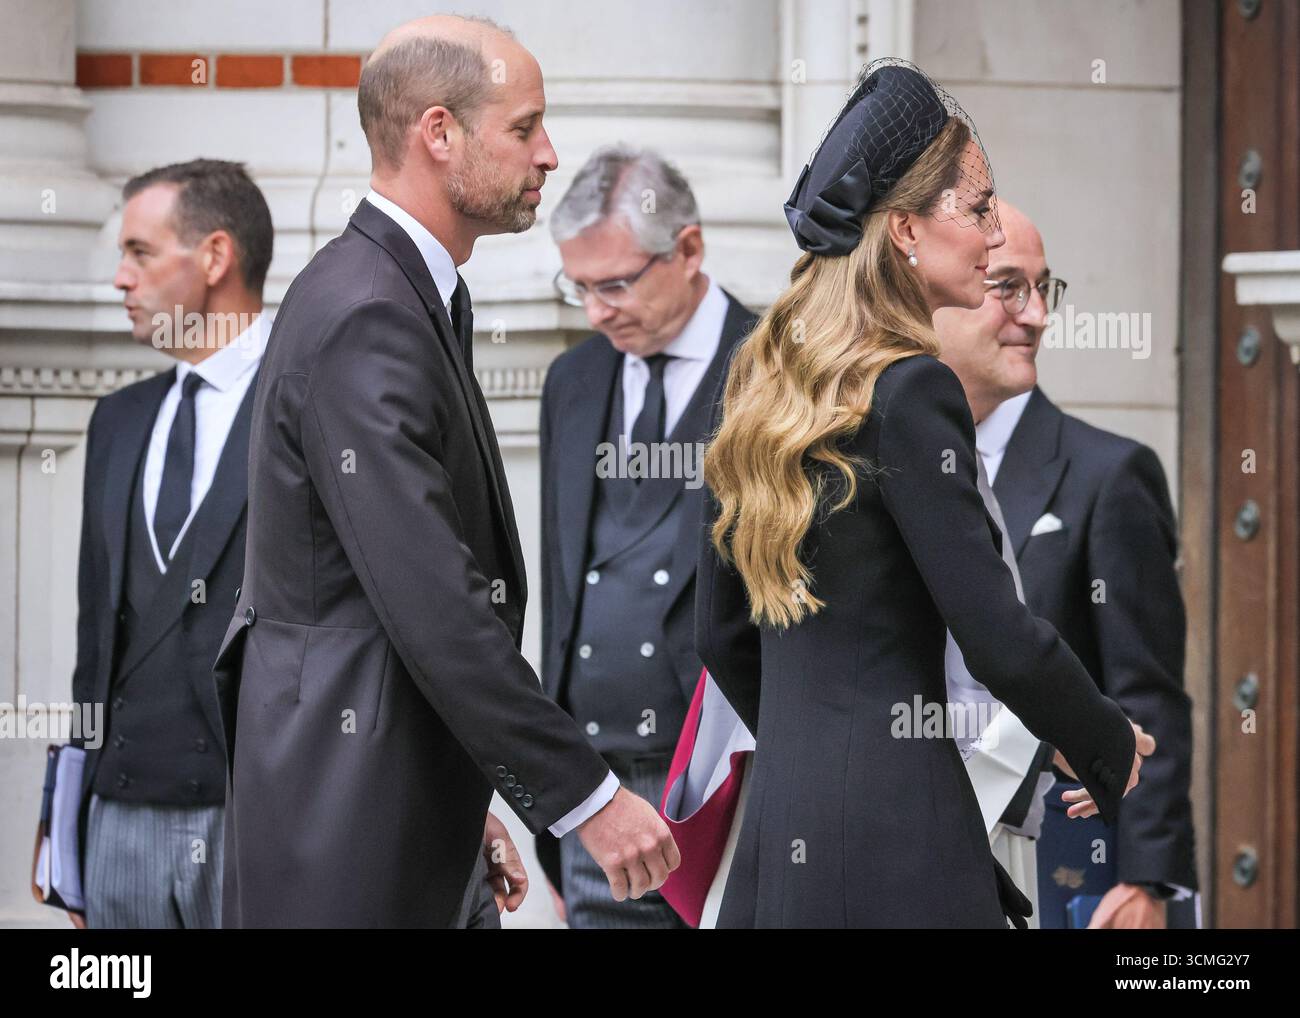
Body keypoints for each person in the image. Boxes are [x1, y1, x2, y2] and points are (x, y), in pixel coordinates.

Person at [212, 14, 678, 929]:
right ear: (438, 132)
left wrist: (460, 810)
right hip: (340, 820)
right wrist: (586, 796)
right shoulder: (369, 311)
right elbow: (432, 598)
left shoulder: (392, 288)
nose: (549, 155)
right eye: (524, 127)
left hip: (376, 794)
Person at [695, 59, 1150, 928]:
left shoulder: (758, 380)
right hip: (897, 844)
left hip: (783, 842)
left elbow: (720, 636)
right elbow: (998, 639)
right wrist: (1104, 739)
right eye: (977, 208)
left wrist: (819, 748)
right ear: (904, 230)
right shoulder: (910, 391)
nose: (991, 235)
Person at [935, 203, 1197, 928]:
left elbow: (1147, 693)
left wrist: (1147, 882)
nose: (1040, 314)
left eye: (1046, 287)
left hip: (1070, 862)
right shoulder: (900, 465)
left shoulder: (1109, 475)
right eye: (1010, 287)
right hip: (922, 850)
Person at [537, 145, 756, 928]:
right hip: (599, 794)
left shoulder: (776, 370)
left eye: (616, 283)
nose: (596, 311)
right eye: (580, 288)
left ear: (688, 249)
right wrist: (557, 811)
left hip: (736, 789)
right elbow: (564, 587)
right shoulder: (574, 381)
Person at [70, 158, 272, 928]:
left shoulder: (311, 403)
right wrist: (70, 830)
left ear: (215, 256)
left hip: (258, 819)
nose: (121, 278)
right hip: (117, 817)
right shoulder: (116, 422)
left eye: (140, 253)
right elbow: (96, 642)